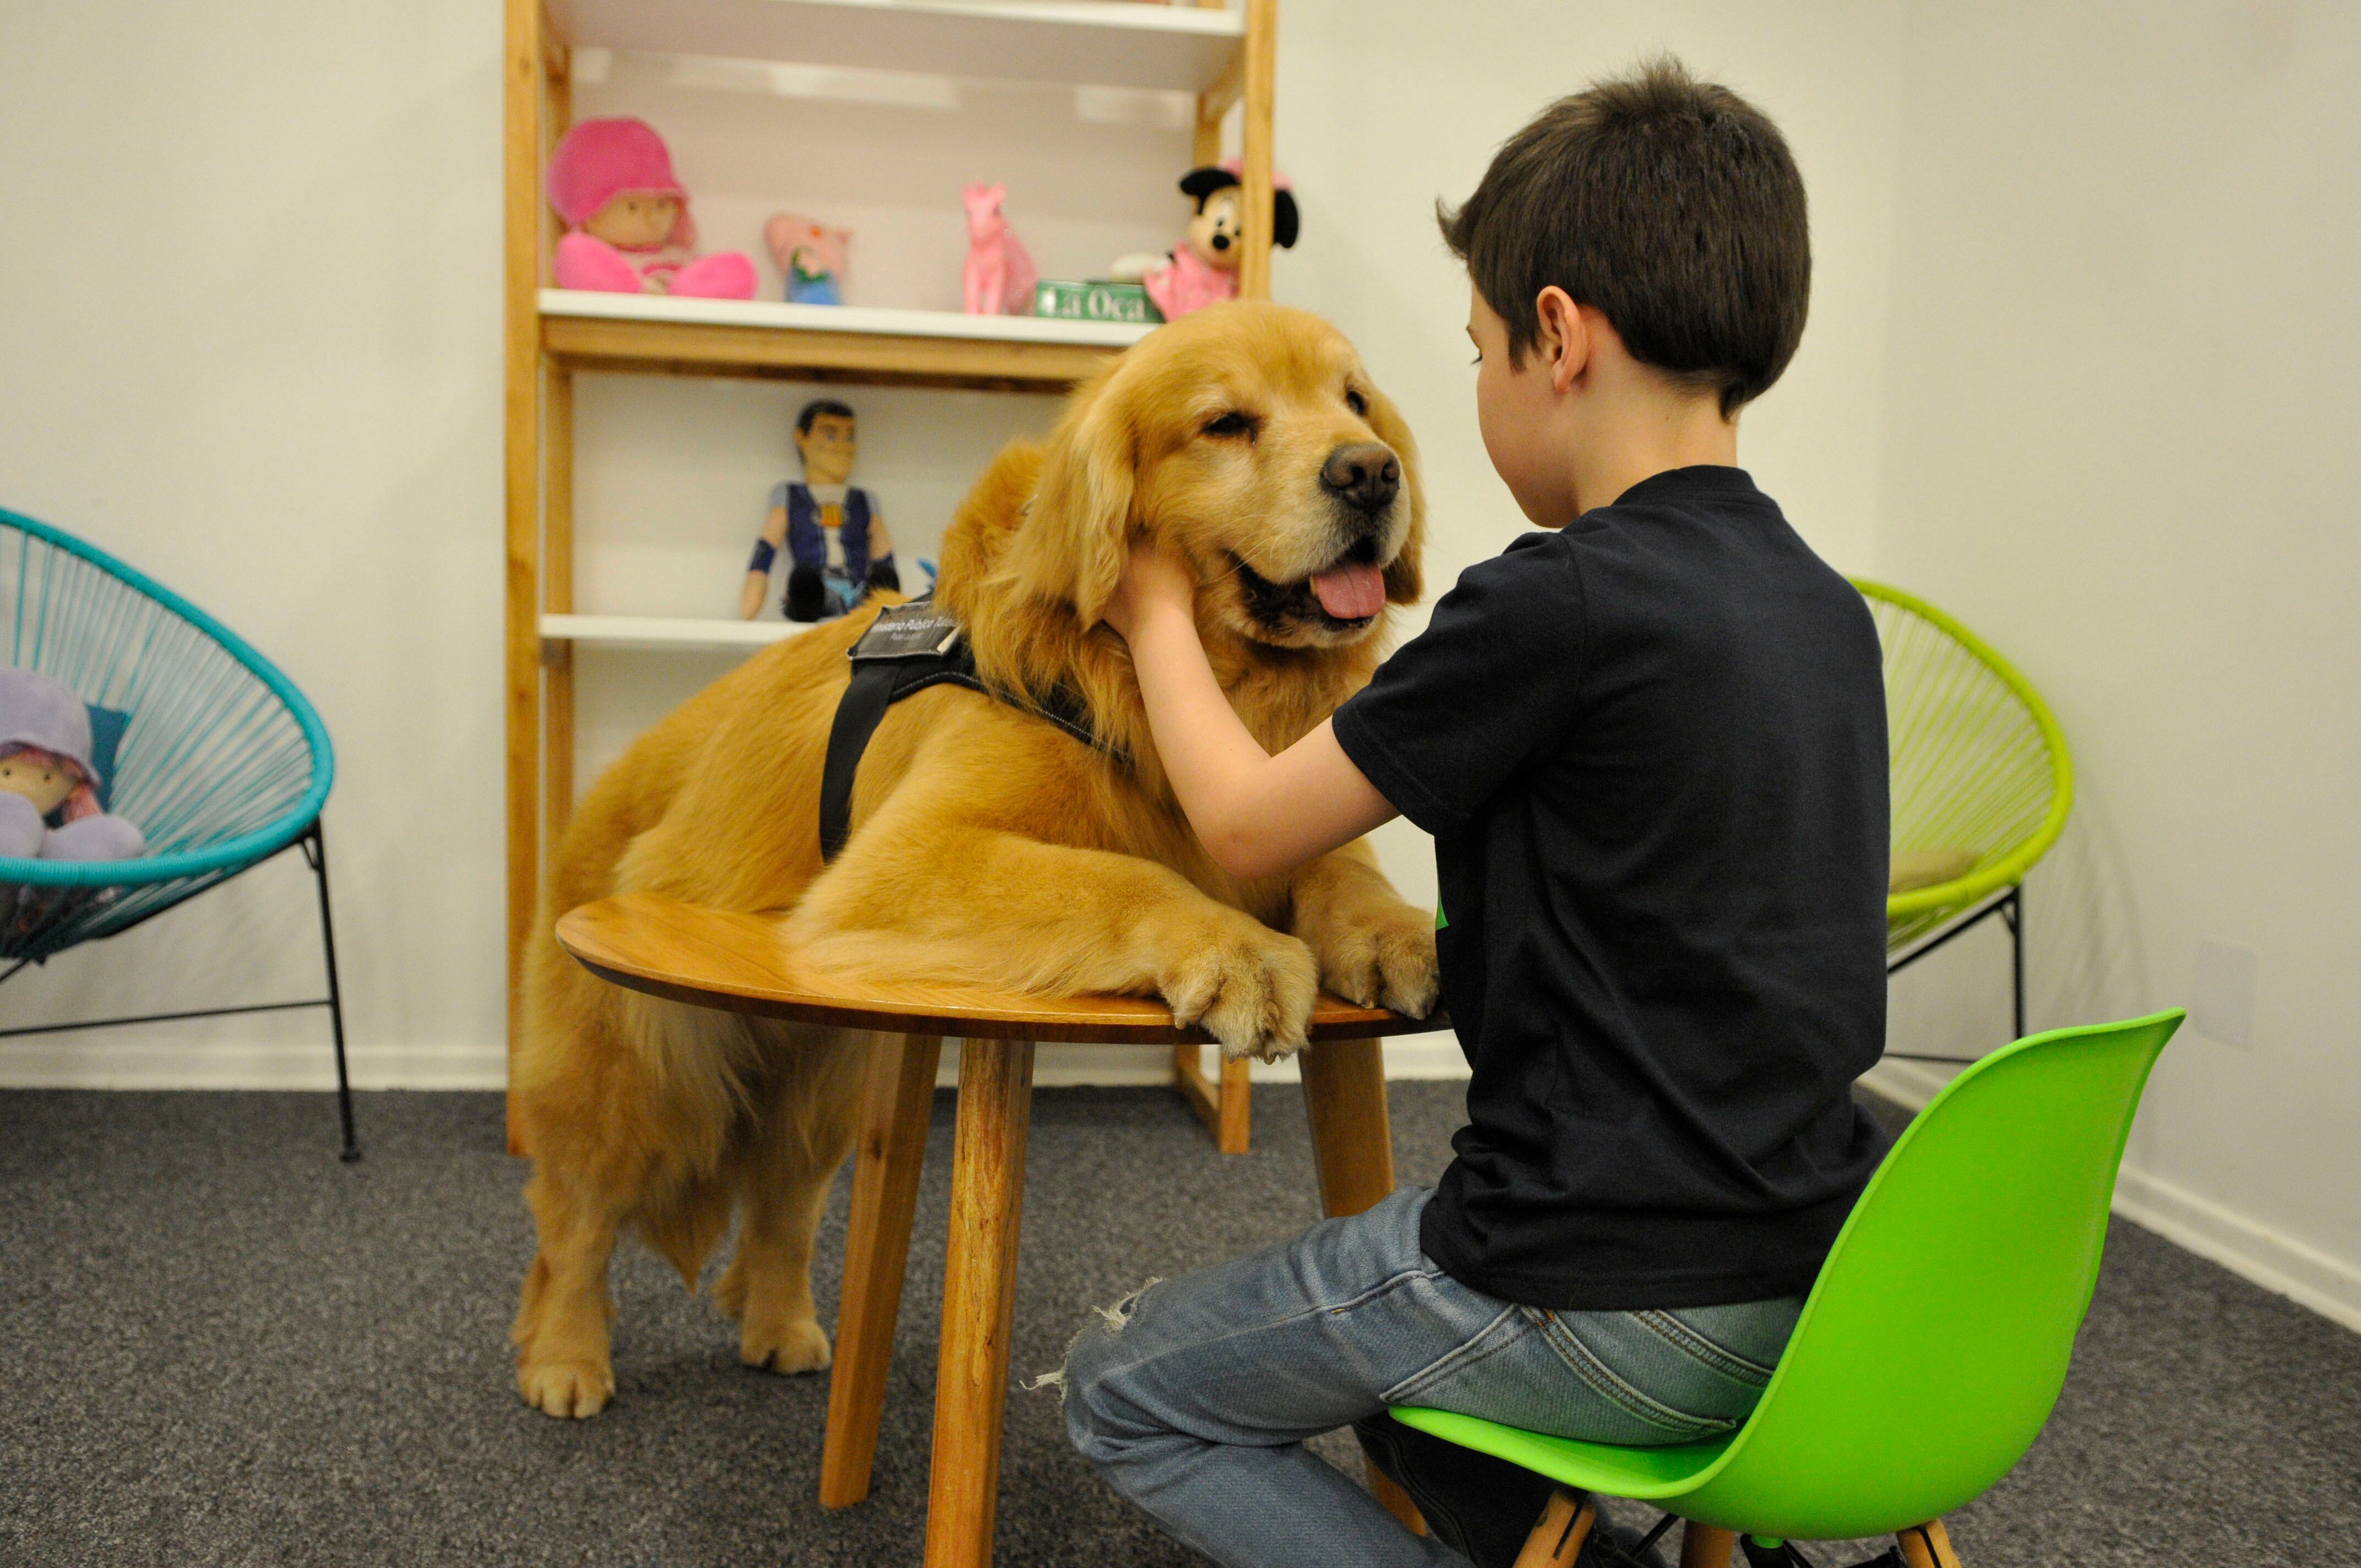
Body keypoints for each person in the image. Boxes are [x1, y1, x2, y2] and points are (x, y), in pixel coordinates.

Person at [1059, 58, 1892, 1568]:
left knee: (1122, 1387)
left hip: (1581, 1288)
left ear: (1557, 339)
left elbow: (1248, 831)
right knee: (1397, 1392)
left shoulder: (1554, 604)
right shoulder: (1826, 612)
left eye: (1478, 352)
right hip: (1834, 1300)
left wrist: (1150, 610)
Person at [741, 399, 900, 622]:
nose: (842, 446)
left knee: (882, 580)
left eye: (850, 437)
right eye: (830, 435)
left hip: (859, 594)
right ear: (801, 439)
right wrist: (746, 617)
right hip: (814, 592)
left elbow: (885, 559)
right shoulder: (788, 496)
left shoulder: (865, 500)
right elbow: (763, 555)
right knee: (805, 581)